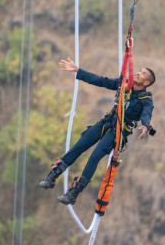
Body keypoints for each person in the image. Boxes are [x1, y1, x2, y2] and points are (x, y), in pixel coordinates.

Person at [39, 57, 155, 205]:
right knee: (80, 145)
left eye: (143, 73)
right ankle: (52, 177)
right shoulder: (123, 84)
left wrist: (145, 125)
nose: (138, 73)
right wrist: (77, 70)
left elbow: (147, 113)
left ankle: (73, 193)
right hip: (106, 122)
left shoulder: (146, 100)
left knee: (94, 157)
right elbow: (100, 80)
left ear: (146, 83)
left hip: (118, 132)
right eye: (139, 71)